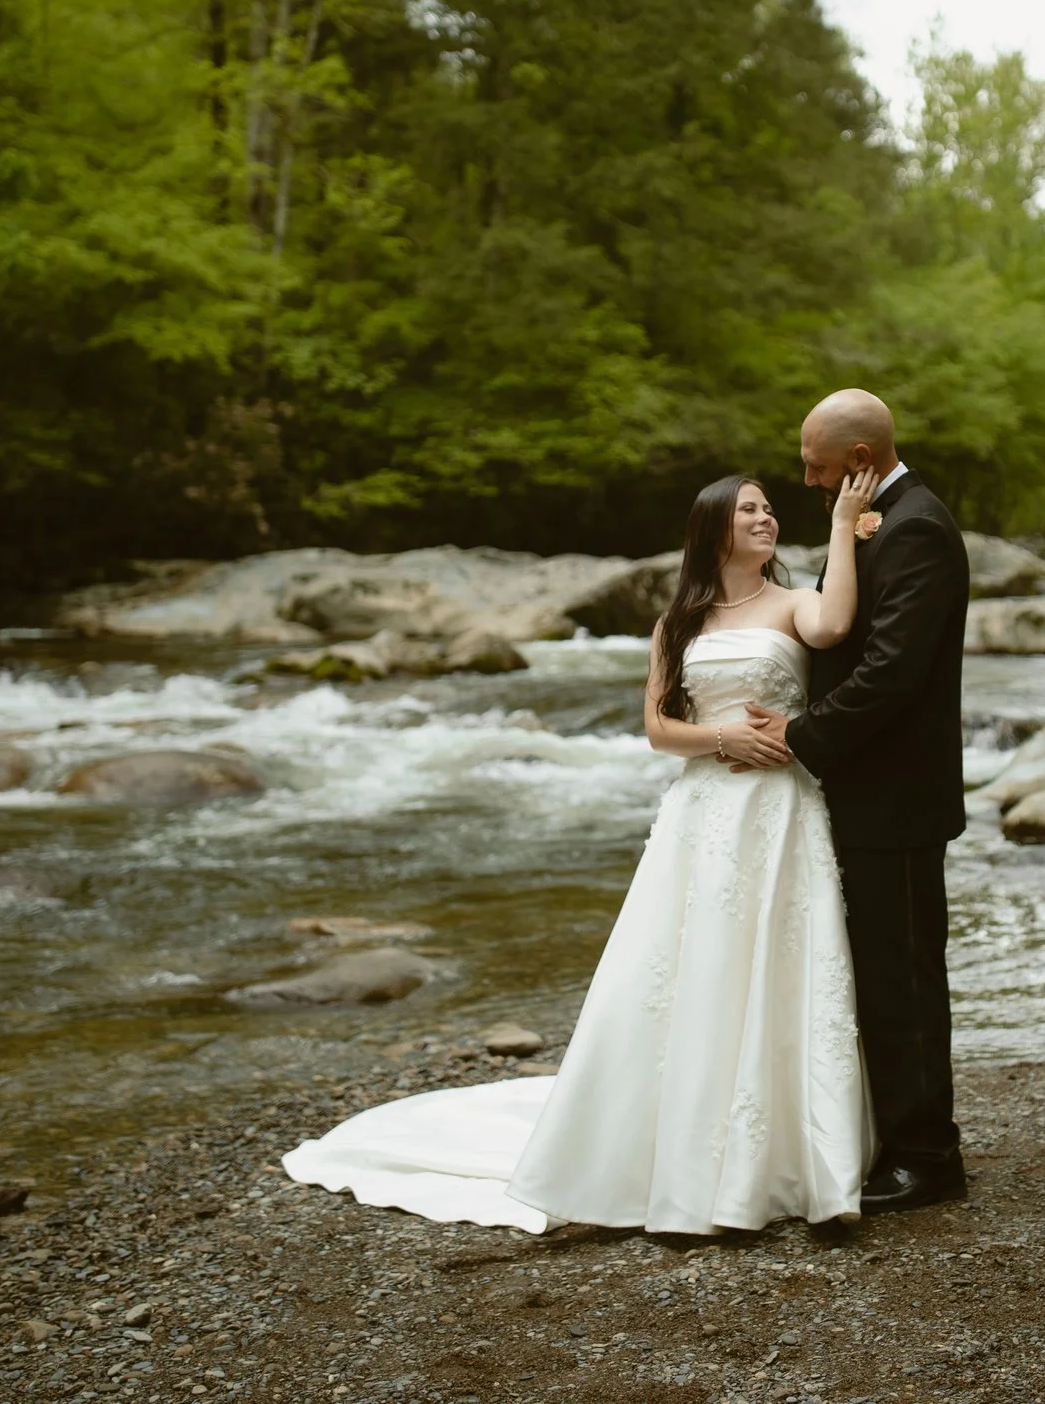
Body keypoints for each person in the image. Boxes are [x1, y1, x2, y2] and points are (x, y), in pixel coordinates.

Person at [282, 465, 883, 1233]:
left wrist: (843, 521)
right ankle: (687, 1160)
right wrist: (723, 735)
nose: (765, 519)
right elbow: (661, 730)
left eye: (769, 509)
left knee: (783, 965)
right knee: (699, 970)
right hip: (704, 812)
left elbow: (834, 629)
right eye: (749, 511)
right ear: (713, 531)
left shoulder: (797, 603)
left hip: (782, 808)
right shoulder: (679, 623)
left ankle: (794, 1165)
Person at [734, 388, 970, 1214]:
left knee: (903, 976)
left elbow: (894, 673)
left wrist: (802, 734)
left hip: (899, 798)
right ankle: (896, 1137)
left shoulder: (919, 530)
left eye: (815, 464)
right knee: (874, 971)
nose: (807, 478)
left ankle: (929, 1157)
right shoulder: (877, 518)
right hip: (865, 791)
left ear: (859, 462)